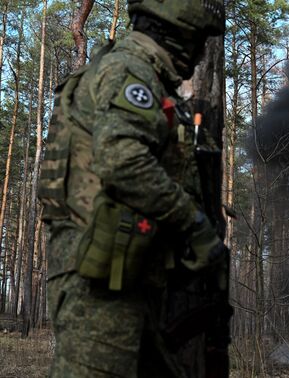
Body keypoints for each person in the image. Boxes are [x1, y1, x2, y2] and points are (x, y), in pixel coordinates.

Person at [38, 0, 231, 377]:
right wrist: (193, 224)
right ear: (175, 35)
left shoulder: (142, 75)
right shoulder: (130, 70)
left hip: (126, 276)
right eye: (196, 40)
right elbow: (122, 163)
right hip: (98, 285)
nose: (197, 53)